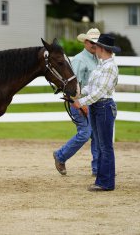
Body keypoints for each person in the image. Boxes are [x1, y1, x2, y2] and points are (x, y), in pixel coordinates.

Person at [73, 33, 120, 191]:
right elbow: (92, 87)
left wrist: (81, 102)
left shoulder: (110, 67)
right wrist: (78, 92)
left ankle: (106, 183)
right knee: (101, 146)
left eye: (97, 46)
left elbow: (100, 91)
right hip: (97, 107)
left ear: (102, 49)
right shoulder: (102, 65)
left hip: (104, 107)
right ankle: (102, 180)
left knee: (105, 146)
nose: (95, 48)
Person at [53, 28, 100, 176]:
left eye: (96, 43)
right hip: (79, 102)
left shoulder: (97, 59)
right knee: (85, 133)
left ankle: (98, 169)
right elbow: (73, 85)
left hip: (92, 102)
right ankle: (60, 155)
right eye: (92, 42)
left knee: (96, 136)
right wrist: (80, 104)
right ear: (85, 42)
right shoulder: (80, 60)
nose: (94, 45)